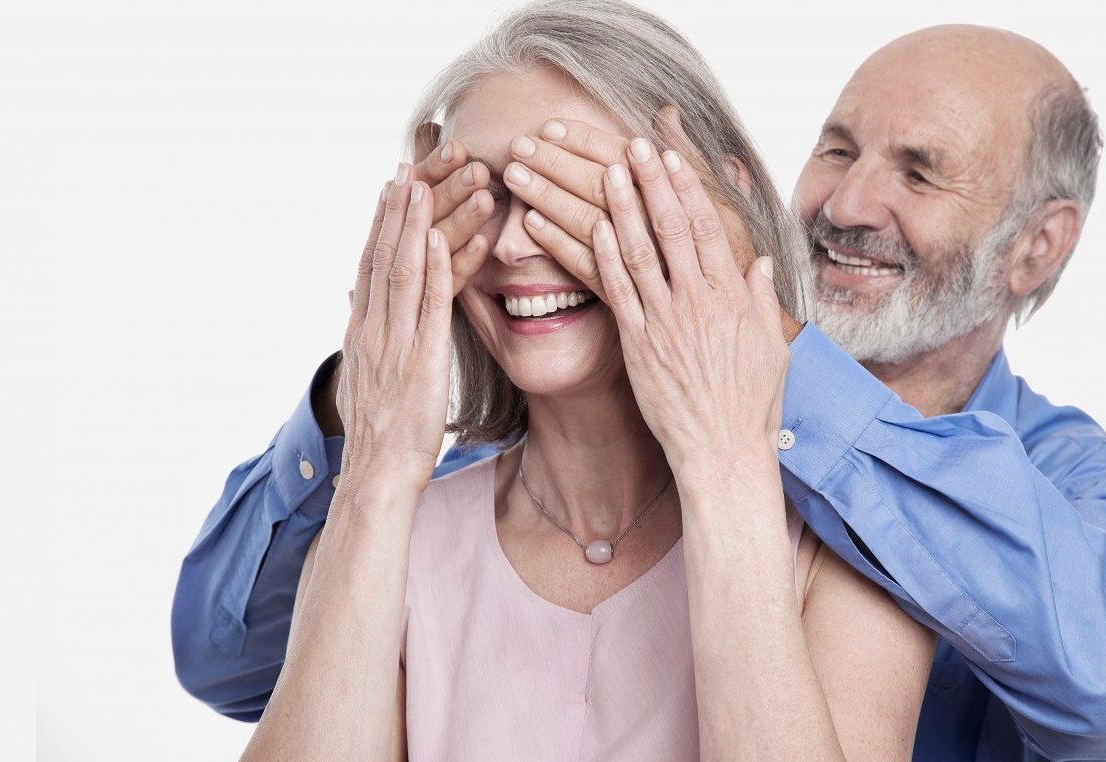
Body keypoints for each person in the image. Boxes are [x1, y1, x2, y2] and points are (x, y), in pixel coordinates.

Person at [173, 13, 1106, 762]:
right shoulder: (433, 512)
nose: (845, 202)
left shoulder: (888, 529)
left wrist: (747, 360)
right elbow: (222, 663)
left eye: (919, 173)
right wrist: (371, 425)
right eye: (835, 149)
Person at [236, 3, 935, 759]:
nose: (509, 243)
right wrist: (376, 466)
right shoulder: (392, 539)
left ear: (715, 208)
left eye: (568, 196)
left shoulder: (850, 543)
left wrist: (722, 460)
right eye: (486, 198)